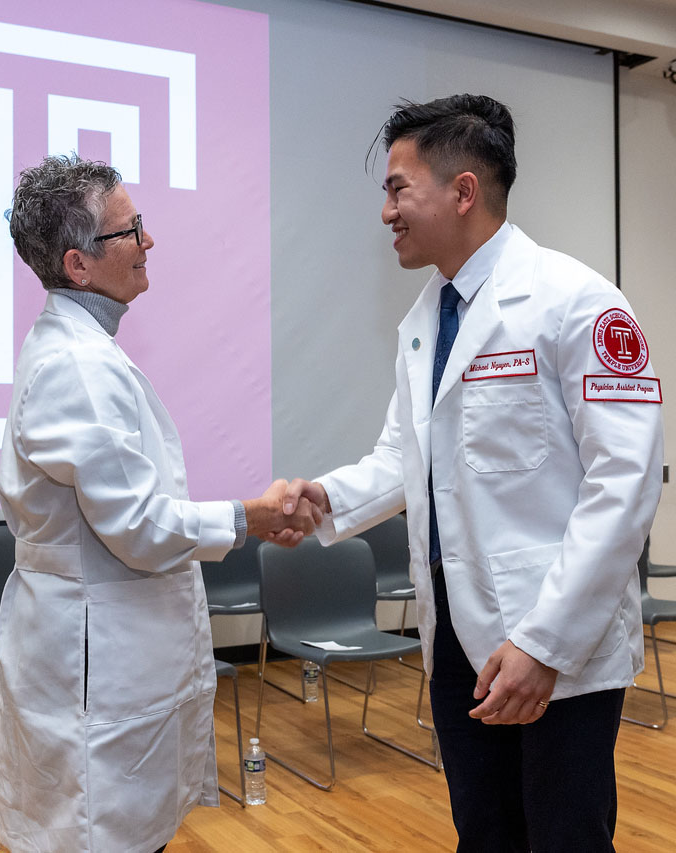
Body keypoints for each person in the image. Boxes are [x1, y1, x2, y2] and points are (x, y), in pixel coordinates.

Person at [281, 95, 663, 852]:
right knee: (484, 833)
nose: (385, 211)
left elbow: (625, 485)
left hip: (555, 640)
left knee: (565, 838)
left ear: (462, 191)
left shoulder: (577, 303)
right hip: (457, 637)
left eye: (397, 188)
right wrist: (325, 497)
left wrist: (545, 644)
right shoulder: (426, 320)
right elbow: (404, 458)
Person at [0, 154, 318, 853]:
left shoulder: (82, 348)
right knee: (98, 831)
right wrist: (251, 515)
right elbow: (137, 525)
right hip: (94, 660)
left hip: (102, 647)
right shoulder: (76, 365)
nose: (149, 241)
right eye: (131, 229)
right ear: (79, 265)